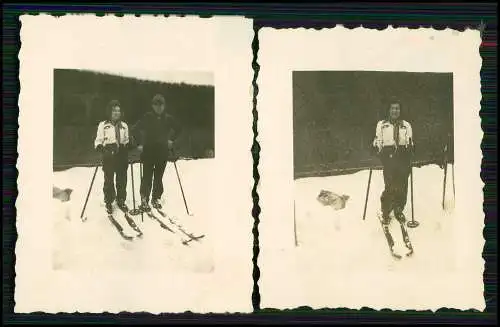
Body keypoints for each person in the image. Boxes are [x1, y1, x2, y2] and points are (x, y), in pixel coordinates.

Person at [132, 94, 182, 212]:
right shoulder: (147, 117)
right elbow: (135, 129)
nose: (158, 107)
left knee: (159, 177)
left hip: (162, 152)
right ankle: (144, 199)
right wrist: (139, 143)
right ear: (152, 106)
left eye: (161, 105)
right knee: (147, 177)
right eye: (156, 105)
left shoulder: (168, 118)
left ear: (164, 106)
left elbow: (179, 128)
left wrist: (171, 140)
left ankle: (156, 198)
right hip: (149, 152)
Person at [373, 100, 414, 225]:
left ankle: (398, 209)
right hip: (388, 155)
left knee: (402, 184)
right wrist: (377, 149)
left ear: (400, 111)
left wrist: (410, 150)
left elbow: (410, 141)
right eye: (393, 108)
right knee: (390, 184)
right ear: (389, 110)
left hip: (403, 156)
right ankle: (386, 211)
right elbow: (378, 140)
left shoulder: (406, 125)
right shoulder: (382, 124)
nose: (395, 111)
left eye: (397, 108)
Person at [94, 100, 131, 214]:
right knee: (109, 180)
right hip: (109, 156)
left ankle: (121, 200)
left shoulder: (124, 125)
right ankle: (109, 201)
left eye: (118, 111)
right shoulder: (103, 125)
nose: (116, 113)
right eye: (114, 110)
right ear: (109, 112)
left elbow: (126, 140)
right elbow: (98, 141)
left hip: (121, 156)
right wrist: (102, 149)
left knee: (122, 179)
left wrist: (129, 145)